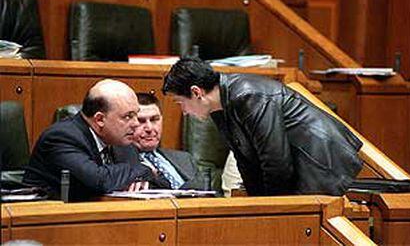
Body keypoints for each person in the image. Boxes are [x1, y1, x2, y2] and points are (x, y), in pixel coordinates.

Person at [162, 57, 364, 196]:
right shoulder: (219, 108)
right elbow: (247, 161)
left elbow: (276, 161)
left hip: (321, 163)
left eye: (180, 103)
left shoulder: (248, 95)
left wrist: (266, 207)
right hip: (299, 171)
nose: (185, 111)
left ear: (196, 92)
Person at [23, 79, 154, 201]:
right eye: (128, 116)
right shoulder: (61, 137)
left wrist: (142, 172)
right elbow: (100, 181)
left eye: (136, 114)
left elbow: (159, 182)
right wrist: (143, 168)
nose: (136, 123)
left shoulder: (121, 140)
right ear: (100, 119)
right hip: (48, 219)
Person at [114, 93, 204, 190]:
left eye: (154, 120)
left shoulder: (185, 159)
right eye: (141, 121)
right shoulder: (119, 163)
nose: (149, 128)